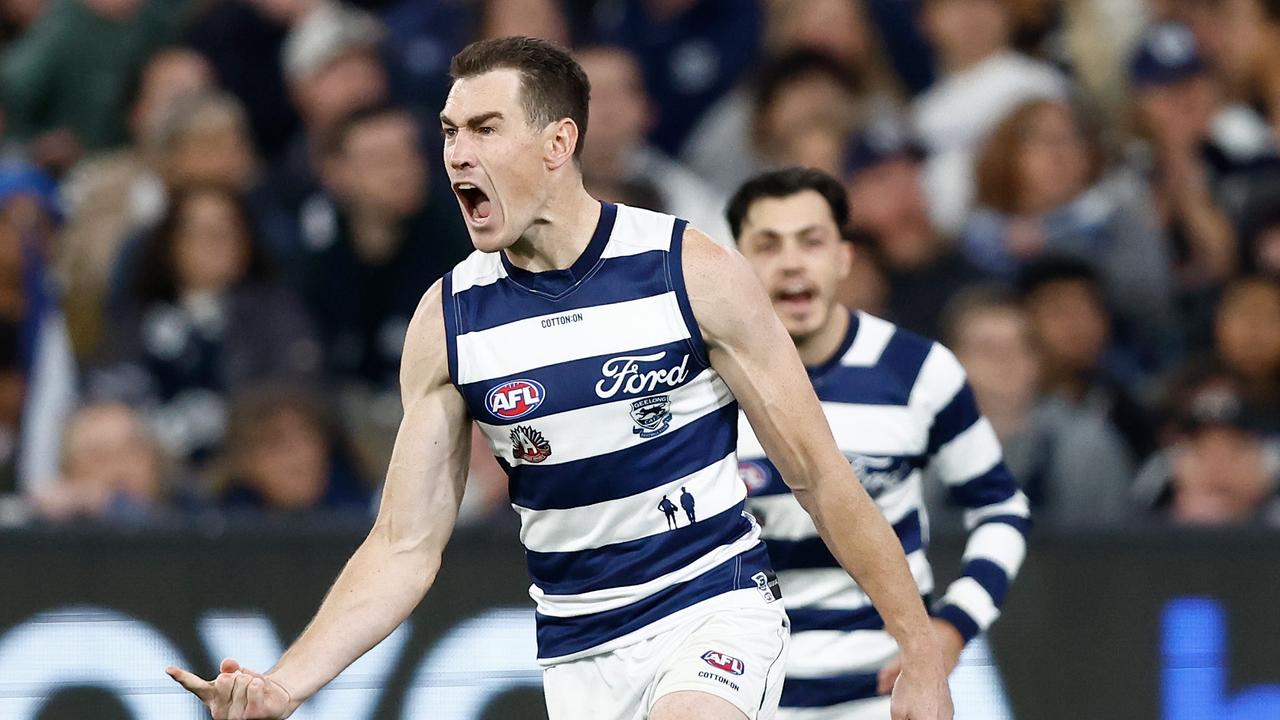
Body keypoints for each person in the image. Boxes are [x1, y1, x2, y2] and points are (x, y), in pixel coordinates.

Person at [167, 37, 952, 720]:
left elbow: (817, 472)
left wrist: (918, 649)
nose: (457, 154)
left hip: (715, 608)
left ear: (557, 142)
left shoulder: (691, 272)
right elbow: (406, 544)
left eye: (483, 128)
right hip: (578, 646)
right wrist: (286, 683)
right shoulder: (448, 322)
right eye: (448, 131)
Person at [727, 167, 1027, 718]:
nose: (792, 262)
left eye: (811, 241)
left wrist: (955, 626)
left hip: (884, 699)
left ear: (844, 258)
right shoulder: (694, 384)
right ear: (734, 265)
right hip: (742, 699)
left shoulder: (918, 371)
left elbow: (1002, 510)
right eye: (768, 245)